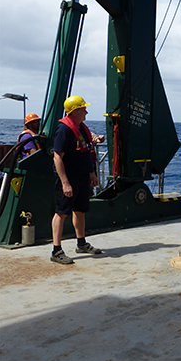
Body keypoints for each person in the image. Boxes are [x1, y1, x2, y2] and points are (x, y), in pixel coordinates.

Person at [50, 95, 102, 264]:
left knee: (79, 210)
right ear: (75, 111)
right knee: (61, 212)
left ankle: (81, 243)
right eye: (83, 108)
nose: (86, 111)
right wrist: (65, 182)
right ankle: (56, 251)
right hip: (69, 178)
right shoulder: (64, 130)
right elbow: (57, 157)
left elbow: (86, 152)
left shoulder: (81, 128)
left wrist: (92, 174)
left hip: (82, 177)